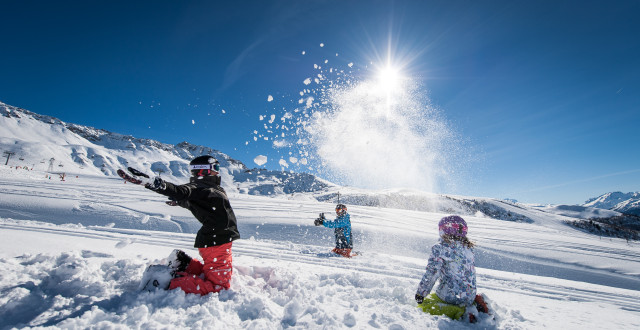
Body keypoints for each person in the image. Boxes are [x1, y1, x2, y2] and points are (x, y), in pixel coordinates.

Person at [145, 155, 240, 295]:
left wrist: (181, 202)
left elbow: (193, 201)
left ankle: (183, 263)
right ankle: (167, 282)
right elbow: (181, 191)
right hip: (216, 241)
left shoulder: (211, 188)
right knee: (219, 287)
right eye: (216, 168)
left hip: (219, 239)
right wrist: (156, 184)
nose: (218, 172)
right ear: (203, 170)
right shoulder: (199, 187)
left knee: (211, 270)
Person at [414, 215, 488, 322]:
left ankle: (460, 313)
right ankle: (472, 305)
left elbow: (433, 272)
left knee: (427, 304)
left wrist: (421, 293)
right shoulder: (468, 248)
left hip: (450, 296)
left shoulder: (440, 247)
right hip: (469, 295)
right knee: (459, 291)